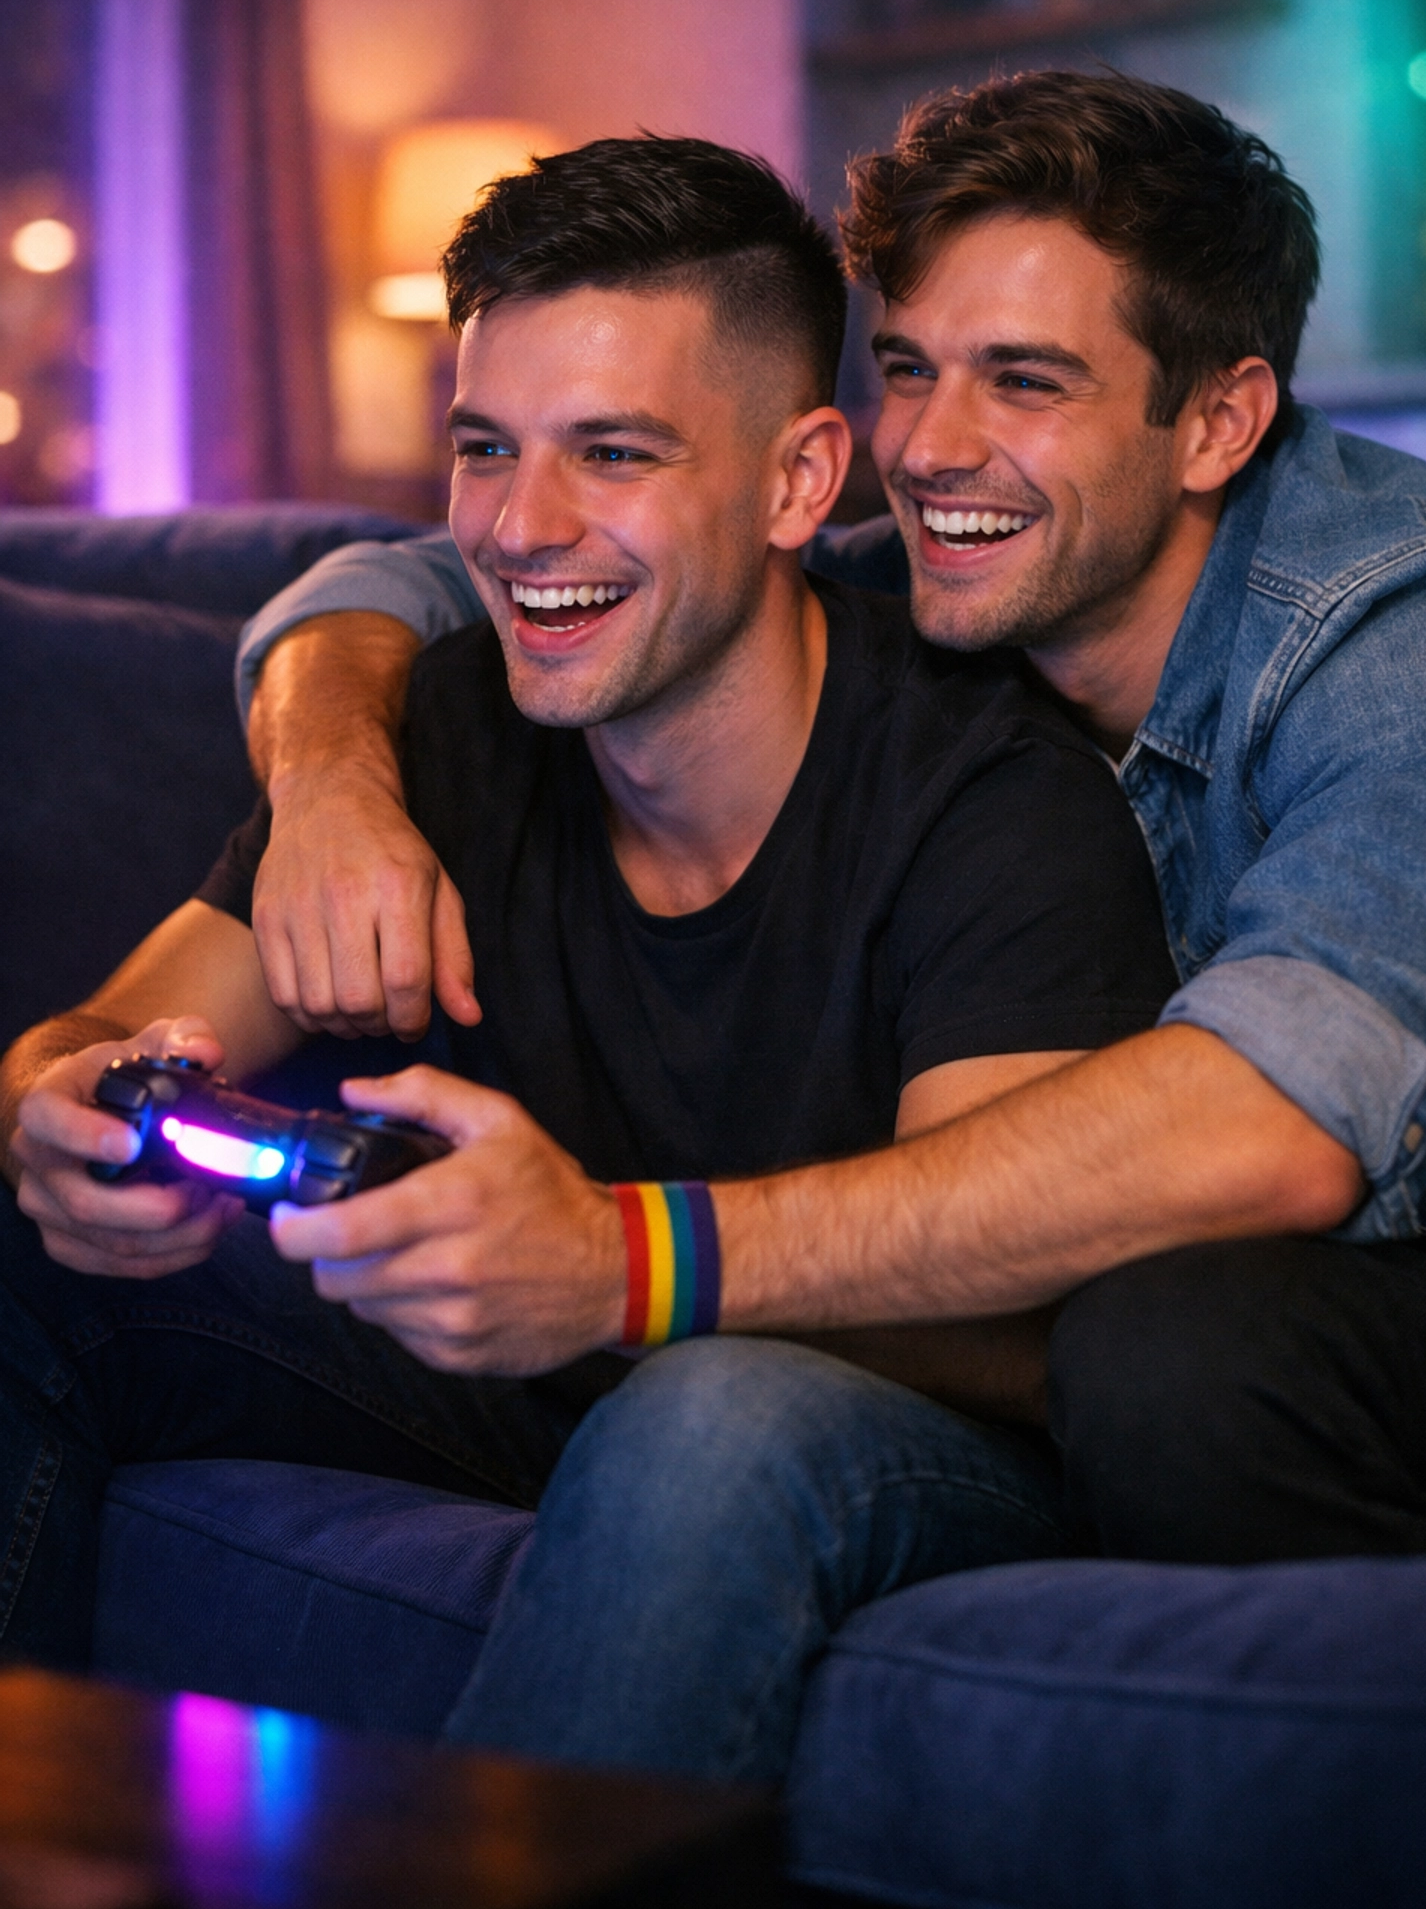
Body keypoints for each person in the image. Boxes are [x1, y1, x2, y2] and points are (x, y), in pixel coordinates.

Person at [234, 72, 1426, 1607]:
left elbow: (1273, 1130)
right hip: (1199, 1302)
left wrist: (626, 1260)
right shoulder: (958, 559)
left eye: (1028, 382)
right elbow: (428, 582)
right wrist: (329, 787)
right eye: (908, 369)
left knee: (1172, 1349)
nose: (929, 447)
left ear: (1221, 421)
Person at [0, 134, 1176, 1779]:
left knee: (710, 1417)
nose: (522, 527)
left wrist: (607, 1271)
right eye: (487, 449)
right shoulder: (453, 725)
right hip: (525, 1386)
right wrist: (58, 1111)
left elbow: (1029, 1324)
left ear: (795, 480)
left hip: (888, 1436)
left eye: (613, 453)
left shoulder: (988, 799)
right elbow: (99, 1032)